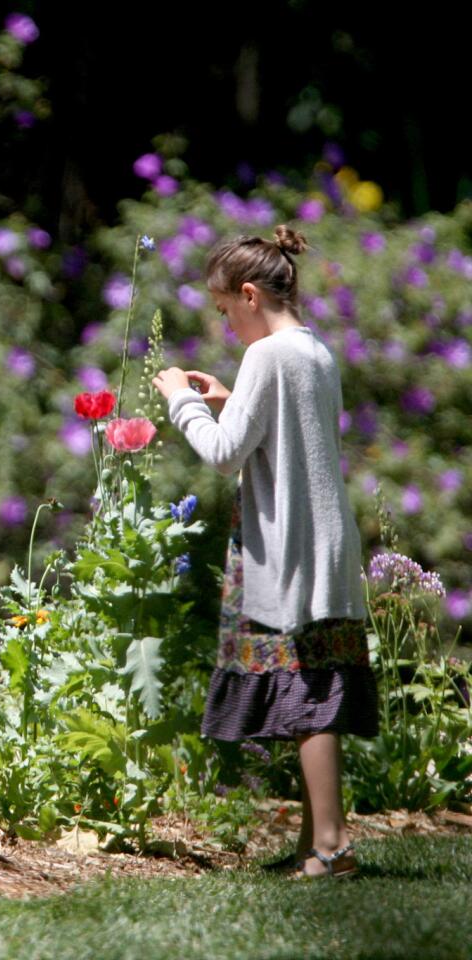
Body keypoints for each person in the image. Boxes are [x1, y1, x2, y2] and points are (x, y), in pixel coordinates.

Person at [152, 225, 376, 879]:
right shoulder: (314, 352)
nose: (227, 328)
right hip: (327, 541)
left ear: (249, 294)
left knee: (307, 694)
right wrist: (228, 401)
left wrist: (181, 402)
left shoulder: (267, 358)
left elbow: (224, 454)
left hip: (291, 545)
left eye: (226, 312)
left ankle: (333, 847)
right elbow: (282, 435)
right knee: (316, 682)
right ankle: (314, 846)